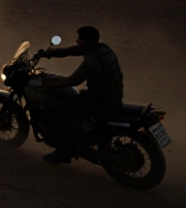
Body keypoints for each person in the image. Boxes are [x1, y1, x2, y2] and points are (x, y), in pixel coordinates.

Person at [35, 25, 125, 164]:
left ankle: (63, 152)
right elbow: (72, 50)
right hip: (112, 96)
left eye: (79, 39)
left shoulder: (91, 61)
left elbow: (73, 80)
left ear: (86, 41)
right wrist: (49, 53)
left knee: (55, 110)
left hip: (100, 101)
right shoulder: (103, 50)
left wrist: (48, 85)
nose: (77, 41)